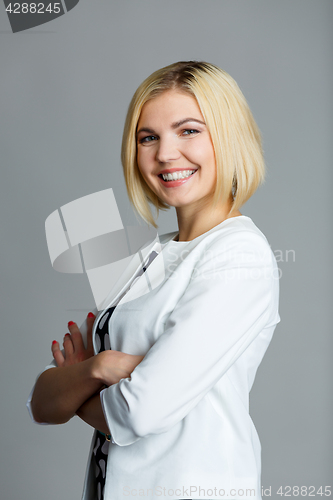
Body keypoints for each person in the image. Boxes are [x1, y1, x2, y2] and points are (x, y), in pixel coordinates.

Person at [27, 61, 280, 500]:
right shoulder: (151, 256)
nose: (165, 154)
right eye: (149, 137)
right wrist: (101, 368)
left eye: (188, 131)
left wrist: (79, 387)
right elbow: (42, 402)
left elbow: (136, 413)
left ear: (228, 136)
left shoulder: (239, 255)